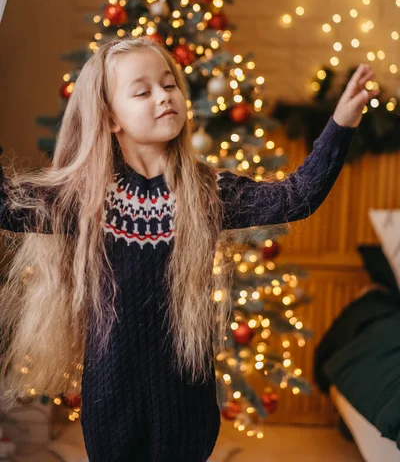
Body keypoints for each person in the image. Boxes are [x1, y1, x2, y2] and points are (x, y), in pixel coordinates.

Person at [0, 37, 379, 461]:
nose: (164, 97)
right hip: (110, 400)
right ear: (109, 118)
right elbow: (4, 205)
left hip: (187, 401)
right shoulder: (83, 199)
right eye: (143, 91)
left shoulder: (207, 192)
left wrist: (341, 123)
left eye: (169, 85)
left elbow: (296, 197)